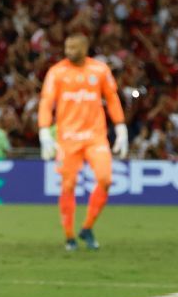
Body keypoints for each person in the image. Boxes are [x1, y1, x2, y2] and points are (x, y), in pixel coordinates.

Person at [38, 34, 128, 251]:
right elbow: (46, 101)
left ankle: (87, 227)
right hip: (67, 138)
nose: (68, 50)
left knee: (105, 180)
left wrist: (121, 127)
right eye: (67, 46)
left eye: (73, 47)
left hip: (95, 136)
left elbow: (113, 98)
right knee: (68, 186)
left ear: (85, 48)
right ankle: (69, 236)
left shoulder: (100, 70)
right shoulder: (57, 72)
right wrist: (44, 131)